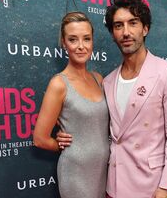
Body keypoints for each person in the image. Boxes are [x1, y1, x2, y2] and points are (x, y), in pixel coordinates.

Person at [57, 0, 167, 198]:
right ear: (112, 33)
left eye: (133, 23)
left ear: (145, 28)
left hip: (150, 186)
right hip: (113, 184)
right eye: (118, 25)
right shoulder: (107, 81)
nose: (126, 32)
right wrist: (64, 137)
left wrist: (166, 186)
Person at [33, 11, 110, 198]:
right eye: (73, 39)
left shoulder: (98, 79)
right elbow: (40, 139)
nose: (81, 46)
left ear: (92, 42)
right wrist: (63, 145)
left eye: (87, 39)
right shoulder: (59, 84)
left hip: (102, 171)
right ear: (64, 43)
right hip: (75, 174)